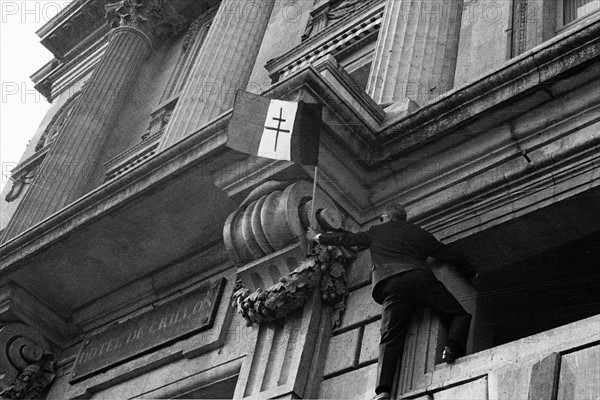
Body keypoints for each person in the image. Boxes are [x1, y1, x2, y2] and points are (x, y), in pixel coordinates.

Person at [307, 203, 476, 400]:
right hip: (418, 278)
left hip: (391, 285)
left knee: (390, 337)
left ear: (387, 217)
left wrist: (318, 237)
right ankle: (451, 349)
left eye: (381, 218)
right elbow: (447, 253)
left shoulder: (377, 231)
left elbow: (348, 239)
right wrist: (472, 271)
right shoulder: (419, 233)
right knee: (458, 314)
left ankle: (383, 391)